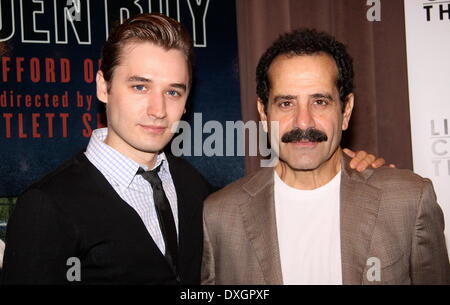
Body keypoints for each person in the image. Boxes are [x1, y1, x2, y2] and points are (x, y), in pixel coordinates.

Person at [1, 15, 384, 285]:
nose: (157, 109)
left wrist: (343, 167)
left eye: (173, 91)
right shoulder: (46, 206)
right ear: (103, 87)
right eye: (139, 86)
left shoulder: (194, 188)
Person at [201, 28, 450, 285]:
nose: (303, 122)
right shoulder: (220, 216)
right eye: (286, 103)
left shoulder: (408, 200)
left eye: (320, 101)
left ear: (346, 111)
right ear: (263, 114)